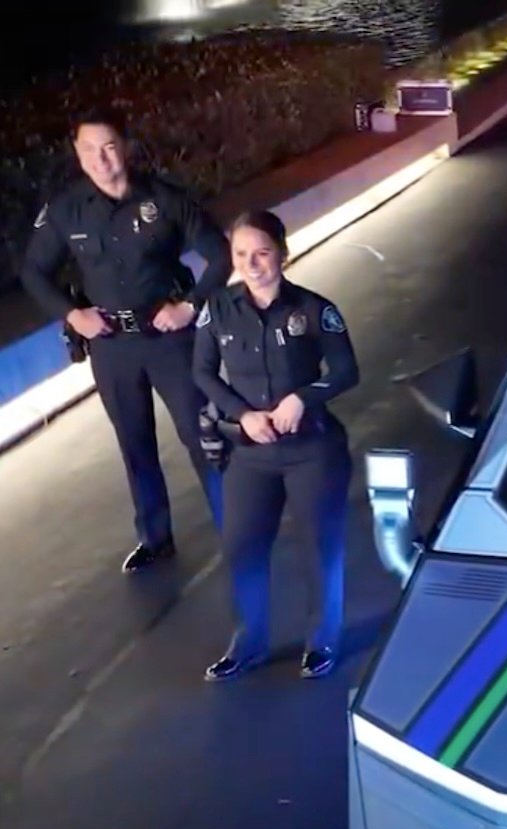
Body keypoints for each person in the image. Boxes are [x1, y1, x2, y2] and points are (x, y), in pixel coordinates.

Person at [21, 109, 231, 572]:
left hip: (168, 338)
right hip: (112, 346)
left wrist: (191, 305)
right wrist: (73, 315)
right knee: (135, 443)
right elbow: (34, 272)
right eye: (89, 149)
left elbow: (220, 256)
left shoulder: (165, 198)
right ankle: (155, 538)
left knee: (203, 436)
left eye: (109, 146)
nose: (101, 158)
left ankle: (237, 528)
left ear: (127, 147)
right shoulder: (65, 209)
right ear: (77, 154)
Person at [193, 210, 359, 682]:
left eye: (262, 253)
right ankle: (249, 640)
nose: (252, 263)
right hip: (250, 454)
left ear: (282, 254)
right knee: (242, 547)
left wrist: (303, 398)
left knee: (318, 545)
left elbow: (347, 371)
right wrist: (242, 414)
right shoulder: (218, 309)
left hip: (312, 451)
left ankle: (323, 638)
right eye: (241, 254)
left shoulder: (313, 309)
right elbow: (202, 372)